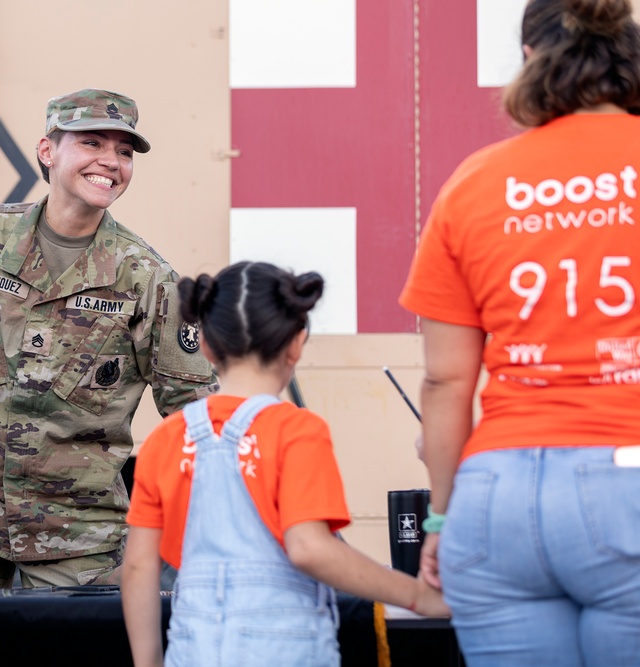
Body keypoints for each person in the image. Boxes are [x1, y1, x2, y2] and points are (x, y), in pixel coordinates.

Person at [399, 1, 640, 664]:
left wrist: (442, 520)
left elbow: (447, 379)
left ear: (530, 60)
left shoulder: (473, 181)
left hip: (495, 497)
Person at [0, 89, 217, 590]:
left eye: (124, 151)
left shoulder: (146, 277)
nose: (111, 162)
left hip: (78, 535)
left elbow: (191, 410)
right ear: (47, 151)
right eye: (92, 143)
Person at [122, 262, 448, 667]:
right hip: (287, 650)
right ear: (296, 343)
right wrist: (417, 595)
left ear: (204, 345)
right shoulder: (296, 430)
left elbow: (137, 567)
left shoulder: (164, 441)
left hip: (195, 649)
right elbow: (310, 549)